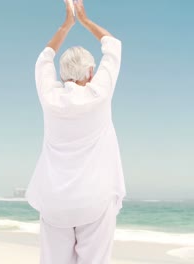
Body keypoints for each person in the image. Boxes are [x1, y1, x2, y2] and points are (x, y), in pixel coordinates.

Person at [25, 0, 126, 263]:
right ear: (91, 72)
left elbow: (43, 58)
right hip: (94, 199)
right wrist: (84, 20)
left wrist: (66, 25)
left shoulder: (50, 98)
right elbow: (112, 45)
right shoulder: (99, 94)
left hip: (54, 202)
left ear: (61, 73)